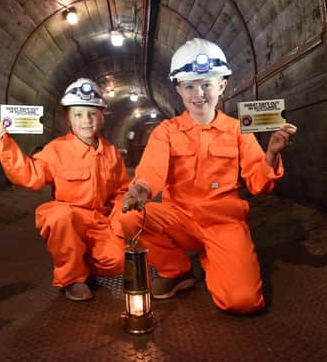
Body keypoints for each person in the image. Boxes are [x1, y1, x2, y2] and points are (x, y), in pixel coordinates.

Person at [118, 38, 297, 314]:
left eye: (206, 84)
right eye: (189, 86)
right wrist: (140, 190)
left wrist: (271, 154)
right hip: (180, 219)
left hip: (223, 223)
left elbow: (258, 183)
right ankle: (177, 270)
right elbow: (151, 170)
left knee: (243, 302)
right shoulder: (167, 131)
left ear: (222, 86)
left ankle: (217, 257)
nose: (198, 93)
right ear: (178, 89)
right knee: (128, 216)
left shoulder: (237, 130)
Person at [0, 78, 129, 301]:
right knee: (59, 215)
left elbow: (122, 190)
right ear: (67, 119)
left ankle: (86, 269)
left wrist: (117, 221)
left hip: (99, 222)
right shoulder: (56, 149)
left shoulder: (111, 152)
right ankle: (72, 279)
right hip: (70, 218)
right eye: (78, 114)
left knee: (118, 261)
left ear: (102, 116)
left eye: (92, 113)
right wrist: (4, 144)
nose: (86, 121)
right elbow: (30, 175)